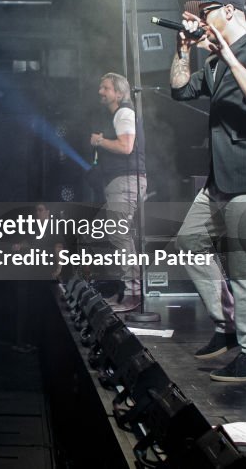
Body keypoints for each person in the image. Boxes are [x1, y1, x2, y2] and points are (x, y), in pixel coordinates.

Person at [170, 0, 246, 382]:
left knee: (244, 265)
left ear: (232, 11)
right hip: (219, 177)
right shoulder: (213, 64)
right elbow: (180, 90)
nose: (201, 19)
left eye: (208, 12)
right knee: (187, 243)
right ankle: (228, 326)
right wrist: (183, 49)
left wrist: (229, 54)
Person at [89, 72, 146, 312]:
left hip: (125, 182)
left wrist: (100, 142)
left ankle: (133, 294)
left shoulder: (124, 113)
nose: (101, 92)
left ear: (119, 93)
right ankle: (124, 292)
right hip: (120, 183)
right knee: (111, 234)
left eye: (106, 88)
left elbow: (126, 146)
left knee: (119, 236)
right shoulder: (118, 115)